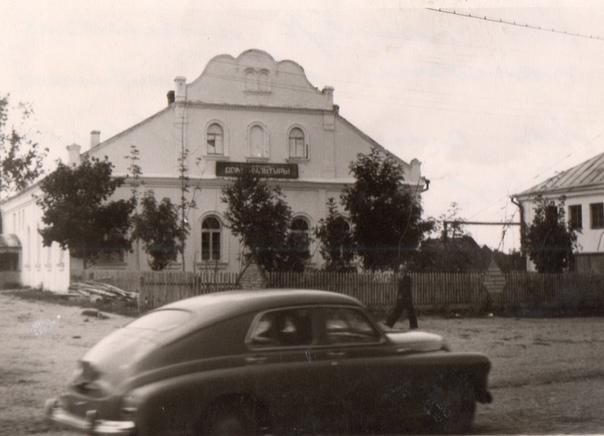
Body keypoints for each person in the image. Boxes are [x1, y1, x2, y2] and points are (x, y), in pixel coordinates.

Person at [384, 263, 418, 329]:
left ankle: (389, 323)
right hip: (403, 298)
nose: (400, 271)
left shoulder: (407, 278)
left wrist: (401, 295)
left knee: (404, 311)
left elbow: (407, 288)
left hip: (406, 298)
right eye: (400, 270)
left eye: (402, 270)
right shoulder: (401, 278)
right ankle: (389, 323)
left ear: (405, 271)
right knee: (400, 310)